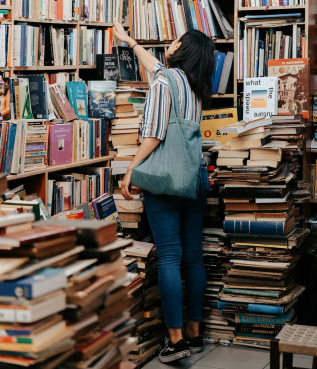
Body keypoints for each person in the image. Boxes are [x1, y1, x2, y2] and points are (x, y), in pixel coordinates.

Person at [113, 19, 215, 364]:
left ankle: (175, 340)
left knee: (169, 256)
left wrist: (131, 169)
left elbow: (154, 134)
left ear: (180, 50)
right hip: (194, 177)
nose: (169, 44)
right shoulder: (193, 84)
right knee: (193, 256)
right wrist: (129, 41)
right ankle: (194, 332)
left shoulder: (162, 83)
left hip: (166, 179)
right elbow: (152, 62)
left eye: (174, 41)